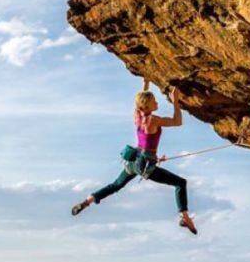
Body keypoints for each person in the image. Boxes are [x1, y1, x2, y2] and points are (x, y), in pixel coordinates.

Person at [71, 78, 197, 235]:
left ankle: (88, 201)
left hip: (133, 161)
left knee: (115, 185)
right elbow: (177, 122)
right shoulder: (153, 120)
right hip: (144, 164)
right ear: (147, 105)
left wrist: (146, 84)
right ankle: (184, 216)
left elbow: (138, 103)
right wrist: (175, 102)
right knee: (180, 183)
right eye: (154, 101)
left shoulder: (138, 116)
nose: (157, 103)